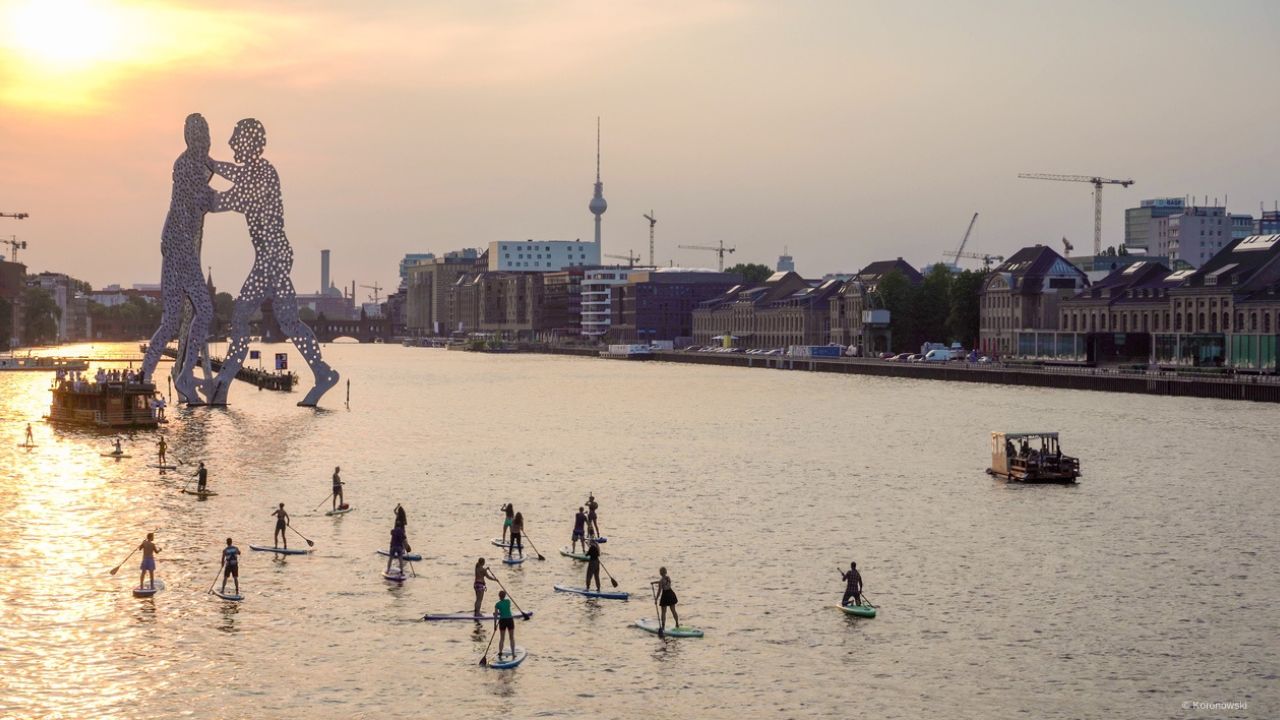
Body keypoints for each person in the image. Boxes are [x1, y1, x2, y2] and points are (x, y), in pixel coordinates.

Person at [205, 118, 339, 407]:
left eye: (235, 139)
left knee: (240, 318)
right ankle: (322, 373)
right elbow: (236, 177)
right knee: (289, 321)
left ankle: (221, 385)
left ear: (250, 143)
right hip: (272, 256)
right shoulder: (254, 172)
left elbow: (229, 199)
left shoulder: (264, 173)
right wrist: (211, 165)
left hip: (272, 257)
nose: (231, 144)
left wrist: (206, 175)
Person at [140, 113, 216, 404]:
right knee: (205, 311)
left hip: (173, 246)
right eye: (201, 132)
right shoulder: (192, 165)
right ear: (195, 136)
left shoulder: (187, 163)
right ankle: (184, 376)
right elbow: (206, 199)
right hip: (182, 248)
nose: (204, 137)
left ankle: (144, 376)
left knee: (171, 321)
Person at [651, 567, 679, 637]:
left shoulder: (661, 580)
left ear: (660, 573)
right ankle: (677, 623)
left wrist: (656, 599)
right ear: (666, 572)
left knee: (663, 612)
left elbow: (659, 590)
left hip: (665, 595)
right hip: (671, 593)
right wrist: (654, 582)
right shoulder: (668, 577)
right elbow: (663, 582)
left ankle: (663, 627)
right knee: (673, 610)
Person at [493, 589, 515, 659]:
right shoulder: (508, 601)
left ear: (499, 596)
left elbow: (496, 615)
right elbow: (505, 610)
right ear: (505, 595)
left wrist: (495, 625)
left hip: (502, 621)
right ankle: (513, 653)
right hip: (509, 620)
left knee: (502, 638)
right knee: (511, 637)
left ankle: (500, 652)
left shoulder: (497, 604)